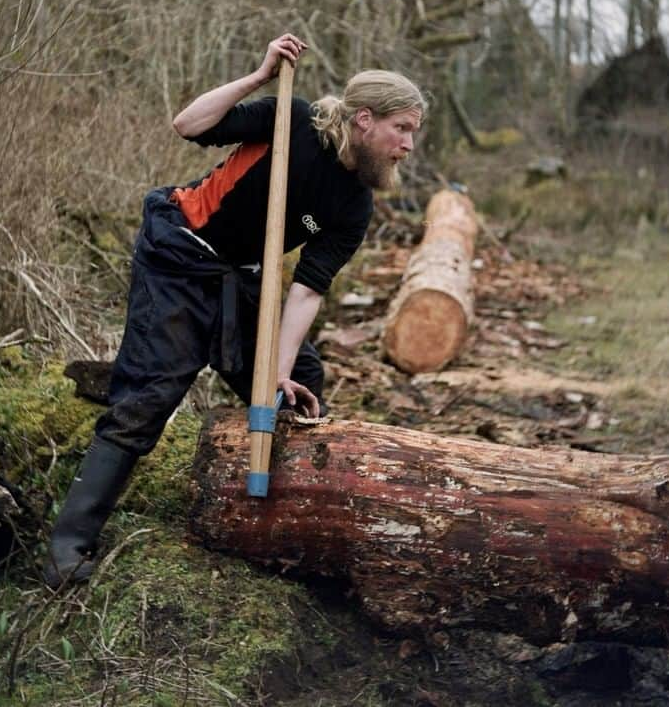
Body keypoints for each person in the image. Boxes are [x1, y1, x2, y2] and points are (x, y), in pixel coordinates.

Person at [43, 34, 425, 587]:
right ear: (366, 119)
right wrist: (260, 76)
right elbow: (189, 125)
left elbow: (307, 291)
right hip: (179, 251)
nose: (409, 145)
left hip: (236, 277)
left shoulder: (354, 204)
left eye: (413, 132)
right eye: (403, 129)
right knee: (150, 395)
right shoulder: (291, 121)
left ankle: (276, 521)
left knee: (301, 380)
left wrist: (278, 371)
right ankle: (67, 548)